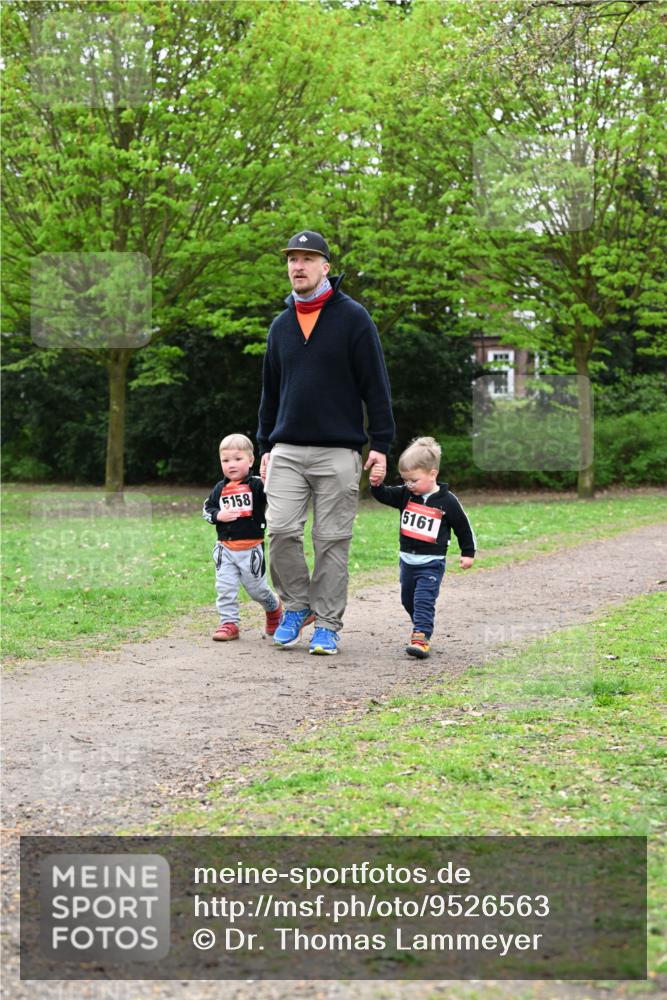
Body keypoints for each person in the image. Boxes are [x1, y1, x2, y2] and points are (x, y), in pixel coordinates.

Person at [258, 229, 395, 656]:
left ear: (325, 268)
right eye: (292, 259)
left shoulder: (353, 318)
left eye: (306, 259)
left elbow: (376, 384)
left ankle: (328, 624)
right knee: (280, 531)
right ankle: (298, 606)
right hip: (286, 450)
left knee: (331, 540)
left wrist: (382, 442)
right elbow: (270, 392)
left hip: (338, 450)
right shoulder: (280, 326)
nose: (297, 266)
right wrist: (264, 447)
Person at [371, 436, 475, 659]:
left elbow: (463, 528)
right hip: (407, 562)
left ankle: (421, 635)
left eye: (414, 481)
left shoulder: (448, 501)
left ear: (432, 474)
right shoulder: (406, 495)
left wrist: (468, 553)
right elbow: (384, 495)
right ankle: (420, 624)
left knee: (423, 600)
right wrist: (376, 484)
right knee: (407, 600)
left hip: (431, 564)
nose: (409, 485)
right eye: (406, 480)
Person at [202, 433, 282, 642]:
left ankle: (273, 608)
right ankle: (229, 623)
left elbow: (274, 494)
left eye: (238, 459)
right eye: (225, 460)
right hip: (225, 549)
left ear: (251, 460)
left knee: (257, 590)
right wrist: (218, 515)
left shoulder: (257, 485)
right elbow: (207, 508)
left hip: (251, 549)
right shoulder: (219, 489)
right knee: (225, 587)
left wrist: (269, 477)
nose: (231, 465)